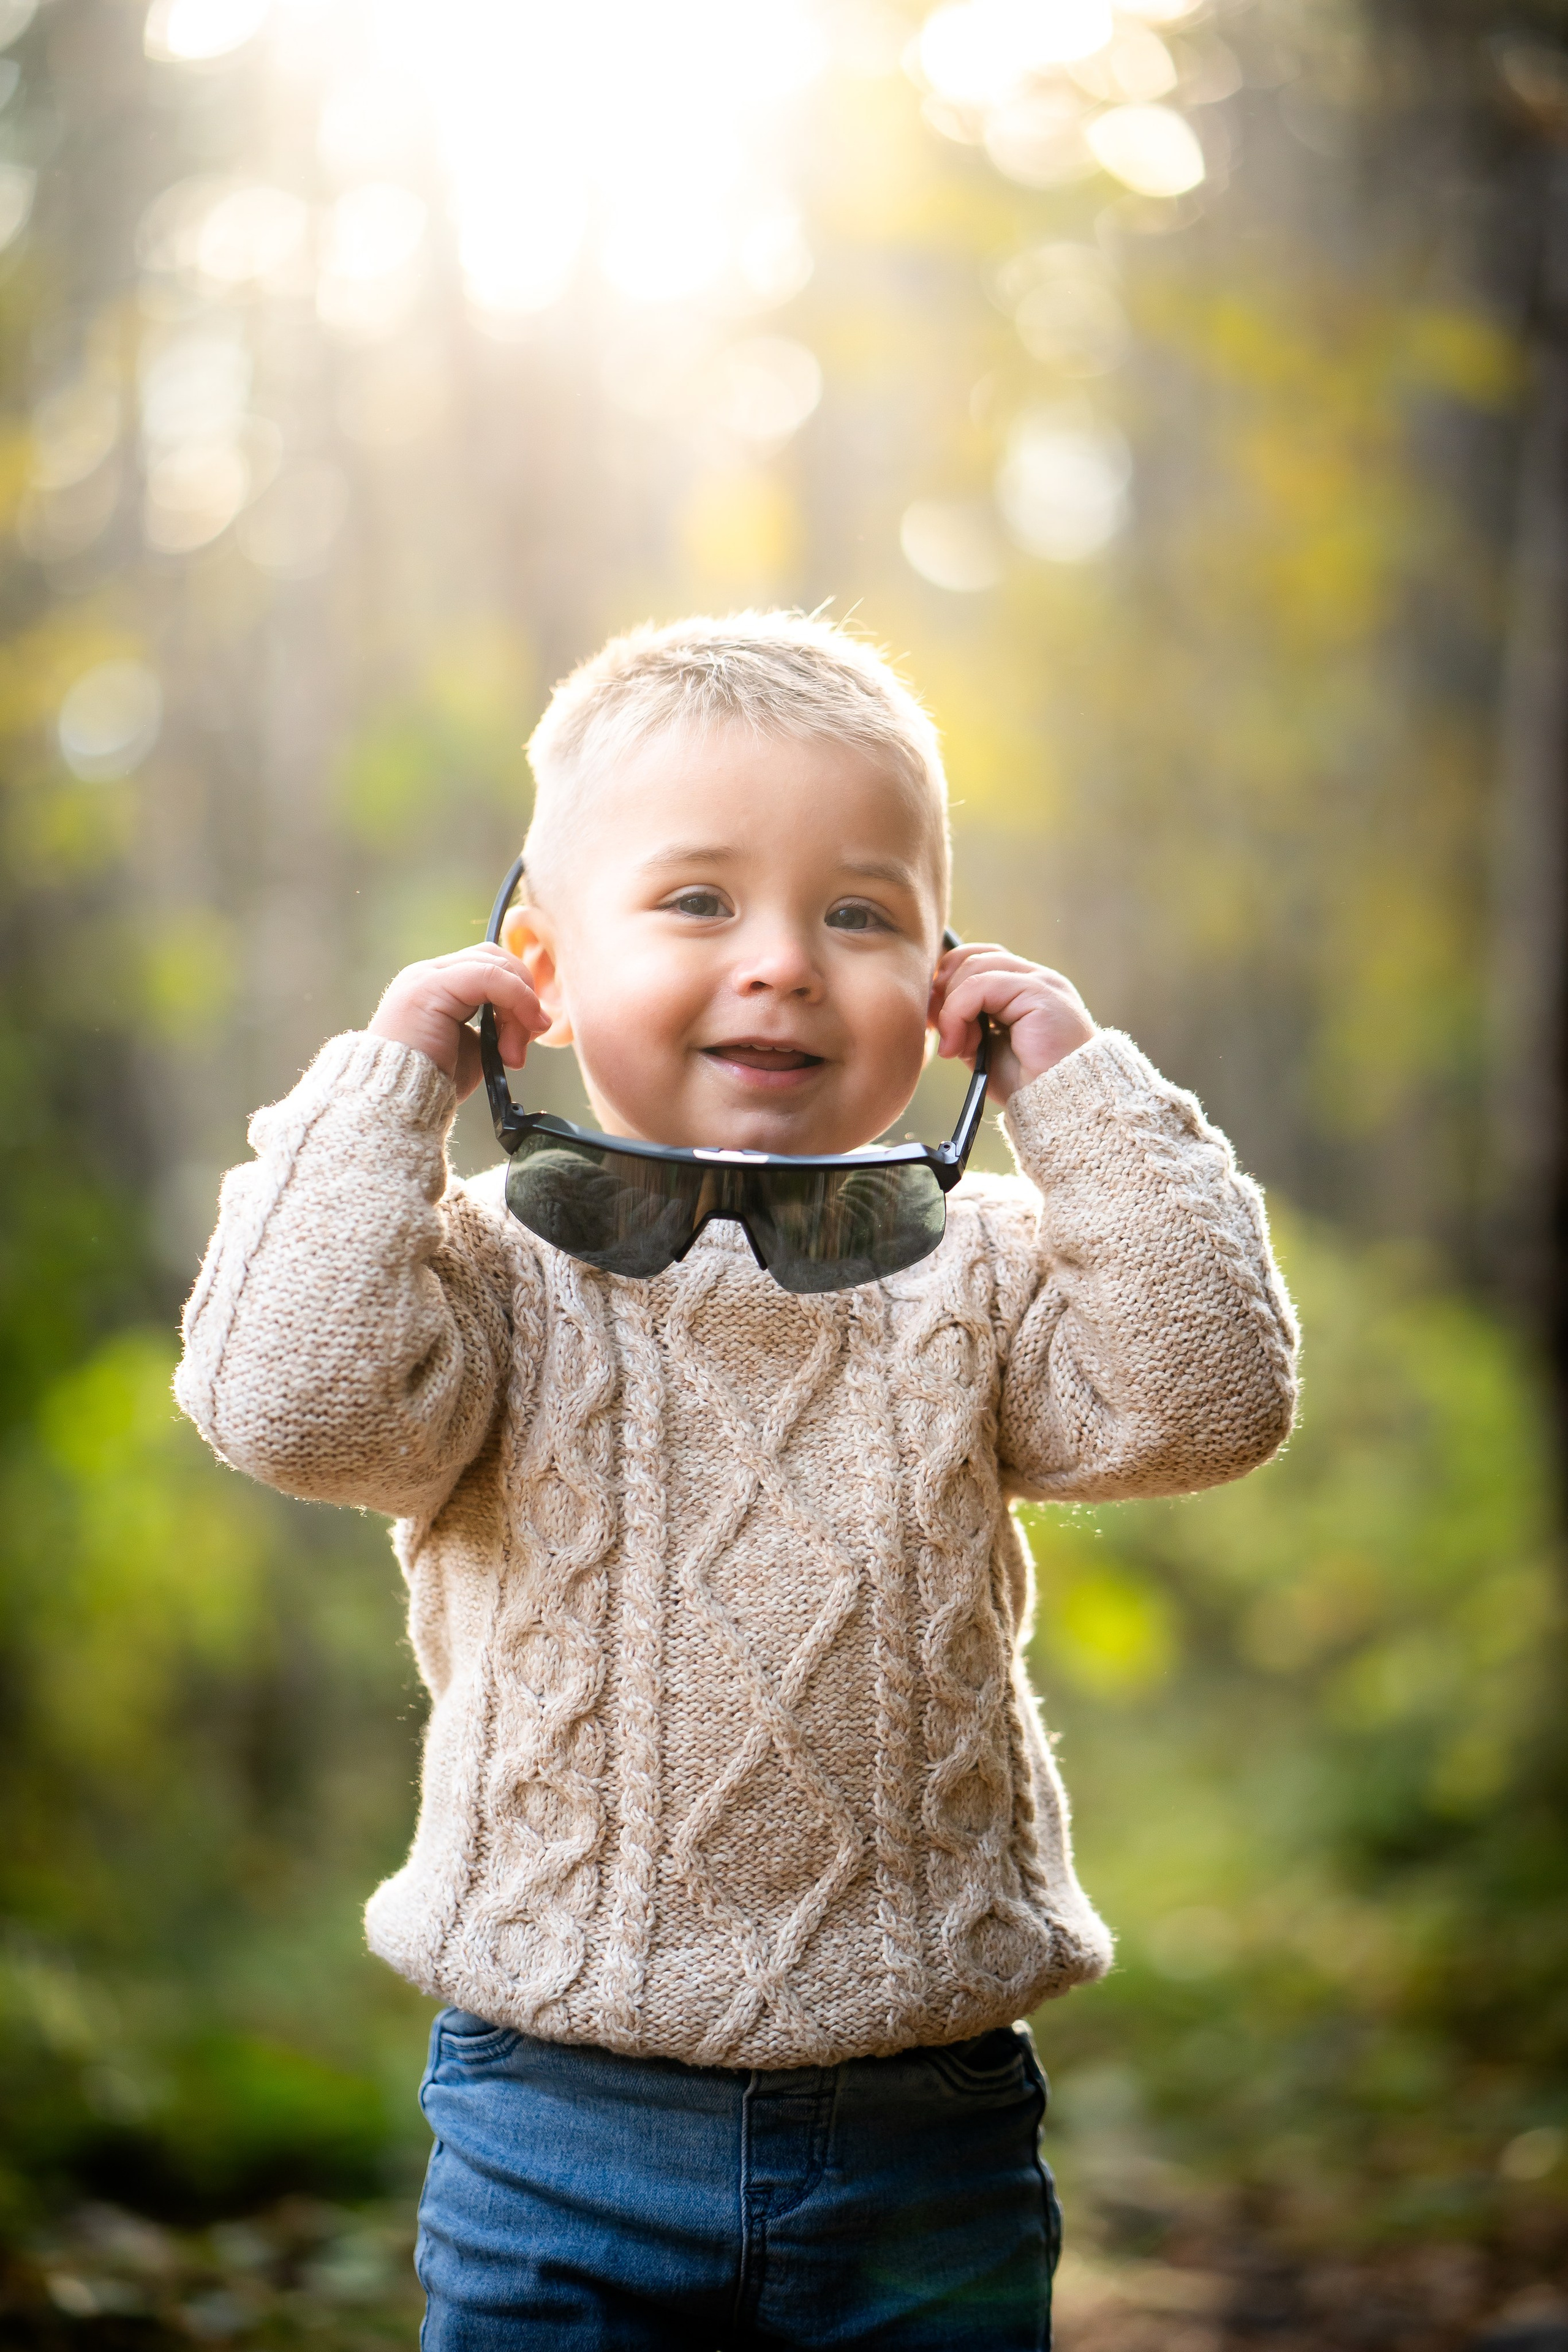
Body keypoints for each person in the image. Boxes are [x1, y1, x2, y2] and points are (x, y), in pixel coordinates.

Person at [176, 611, 1298, 2350]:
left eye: (861, 913)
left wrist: (1084, 1090)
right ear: (535, 971)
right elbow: (287, 1404)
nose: (783, 961)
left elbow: (1209, 1399)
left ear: (944, 996)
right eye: (699, 900)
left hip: (927, 2122)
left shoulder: (987, 1274)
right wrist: (389, 1079)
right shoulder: (480, 1280)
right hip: (553, 2116)